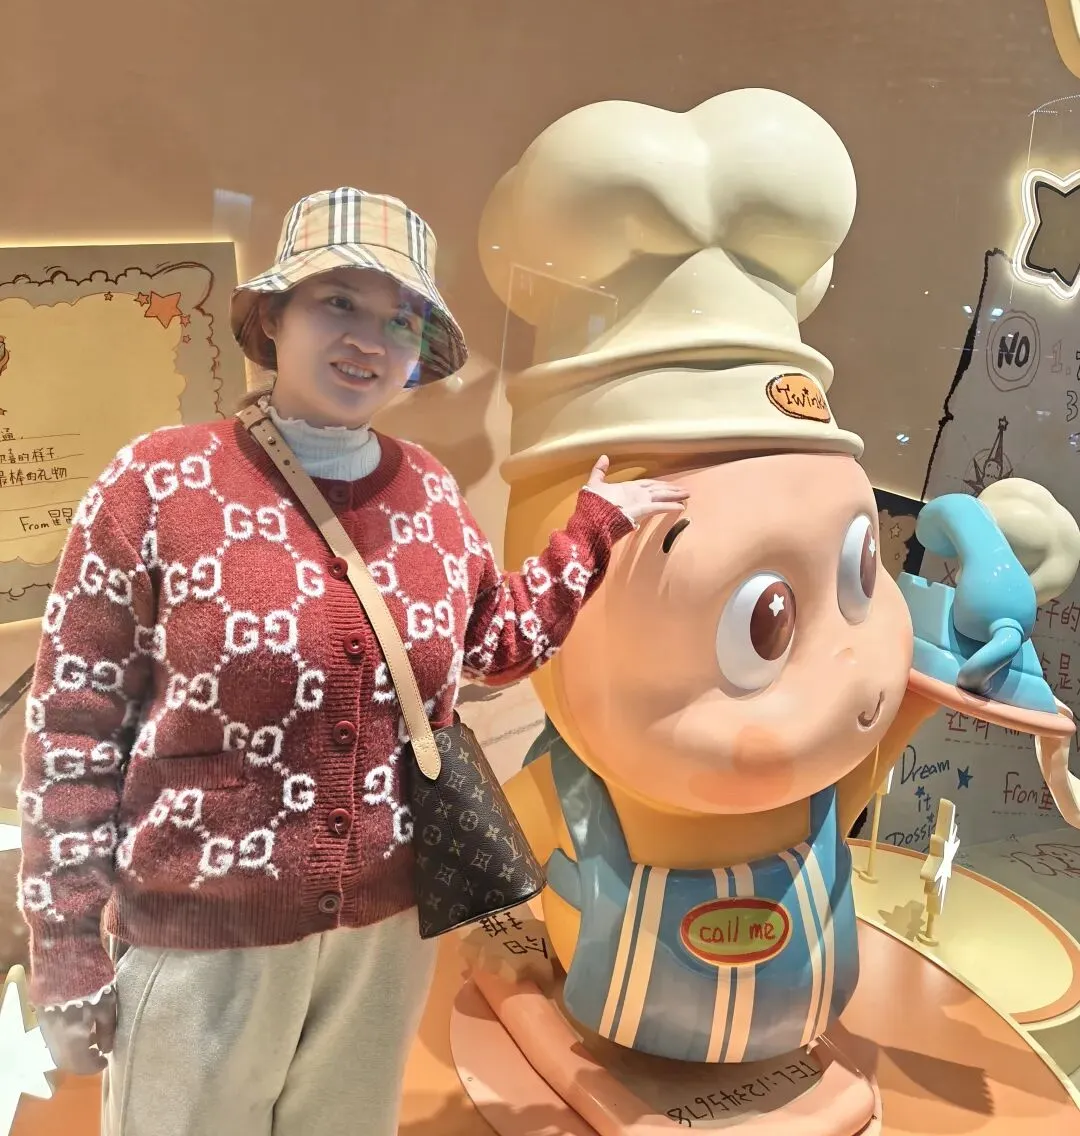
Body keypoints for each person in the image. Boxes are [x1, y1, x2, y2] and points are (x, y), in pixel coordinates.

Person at [18, 187, 689, 1136]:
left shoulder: (430, 494)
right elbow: (73, 729)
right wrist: (67, 953)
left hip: (384, 937)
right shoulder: (159, 483)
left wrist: (592, 531)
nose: (369, 339)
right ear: (273, 318)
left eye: (401, 318)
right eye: (338, 301)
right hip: (204, 939)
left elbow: (493, 644)